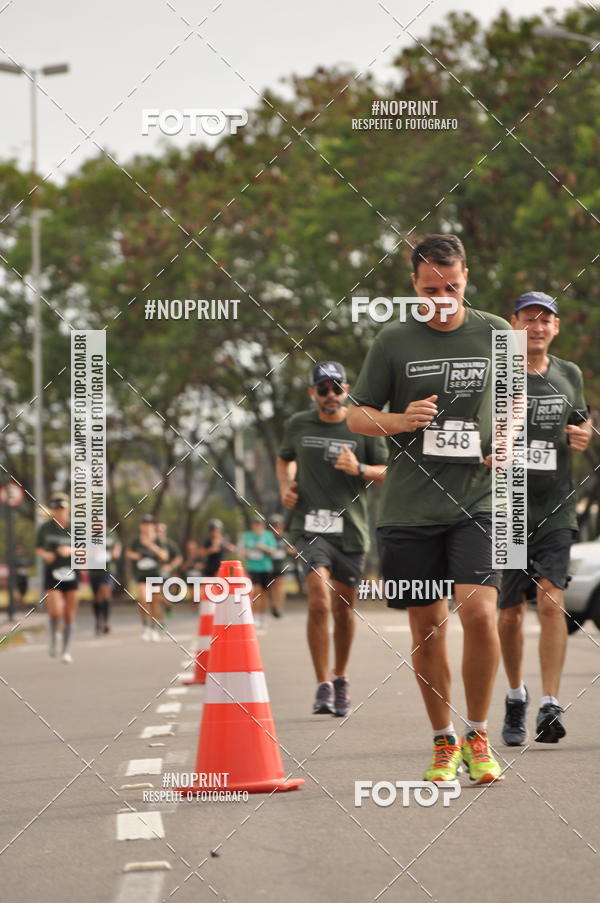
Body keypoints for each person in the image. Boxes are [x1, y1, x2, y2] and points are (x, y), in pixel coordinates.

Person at [347, 234, 510, 784]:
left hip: (481, 500)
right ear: (413, 285)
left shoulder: (498, 333)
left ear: (467, 277)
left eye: (452, 287)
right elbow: (356, 417)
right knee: (427, 627)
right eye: (430, 288)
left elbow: (514, 402)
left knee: (482, 612)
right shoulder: (392, 341)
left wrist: (505, 439)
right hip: (409, 509)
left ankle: (479, 734)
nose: (442, 297)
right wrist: (399, 419)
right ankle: (443, 742)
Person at [498, 292, 592, 746]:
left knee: (552, 600)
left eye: (546, 320)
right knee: (511, 614)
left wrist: (582, 434)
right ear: (513, 324)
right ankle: (516, 695)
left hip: (555, 508)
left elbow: (581, 425)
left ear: (556, 327)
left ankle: (550, 703)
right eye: (528, 319)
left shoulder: (569, 374)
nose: (536, 327)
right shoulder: (497, 374)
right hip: (505, 508)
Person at [277, 361, 387, 717]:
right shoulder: (298, 424)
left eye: (336, 388)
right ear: (312, 393)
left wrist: (358, 469)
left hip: (350, 530)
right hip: (309, 527)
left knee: (343, 608)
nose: (329, 395)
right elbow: (284, 460)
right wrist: (285, 488)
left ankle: (340, 677)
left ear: (347, 389)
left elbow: (386, 473)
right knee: (320, 600)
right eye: (322, 389)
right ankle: (322, 681)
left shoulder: (364, 426)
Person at [35, 493, 79, 663]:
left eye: (62, 508)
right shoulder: (45, 528)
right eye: (56, 508)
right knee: (55, 611)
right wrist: (46, 554)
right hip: (52, 574)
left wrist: (71, 551)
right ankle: (54, 636)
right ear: (52, 510)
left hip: (70, 573)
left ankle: (66, 651)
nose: (59, 511)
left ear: (68, 509)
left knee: (69, 615)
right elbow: (38, 548)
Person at [126, 515, 169, 641]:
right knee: (143, 599)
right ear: (141, 526)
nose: (147, 526)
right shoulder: (137, 541)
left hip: (155, 575)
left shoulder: (158, 540)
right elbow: (129, 553)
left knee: (154, 601)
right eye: (145, 523)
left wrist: (152, 546)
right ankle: (145, 626)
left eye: (149, 524)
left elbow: (164, 556)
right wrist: (136, 555)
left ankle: (153, 628)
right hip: (141, 575)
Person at [240, 517, 277, 628]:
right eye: (255, 524)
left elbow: (273, 551)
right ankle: (254, 616)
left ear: (263, 525)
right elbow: (243, 551)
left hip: (265, 568)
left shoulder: (268, 535)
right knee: (256, 591)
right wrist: (247, 553)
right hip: (253, 568)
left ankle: (262, 616)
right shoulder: (247, 536)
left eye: (259, 524)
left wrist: (263, 548)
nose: (257, 526)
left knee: (264, 594)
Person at [90, 528, 121, 635]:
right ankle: (98, 620)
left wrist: (116, 551)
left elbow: (117, 544)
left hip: (108, 569)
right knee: (97, 597)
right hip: (94, 570)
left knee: (105, 591)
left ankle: (106, 621)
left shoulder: (111, 533)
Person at [156, 522, 182, 619]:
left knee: (166, 595)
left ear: (165, 532)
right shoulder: (152, 544)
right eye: (157, 531)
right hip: (154, 574)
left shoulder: (170, 544)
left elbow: (179, 558)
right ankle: (161, 618)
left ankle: (167, 606)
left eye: (161, 531)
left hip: (167, 574)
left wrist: (170, 566)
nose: (159, 533)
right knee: (156, 594)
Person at [268, 514, 290, 618]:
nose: (276, 527)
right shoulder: (268, 536)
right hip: (269, 565)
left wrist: (291, 550)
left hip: (281, 565)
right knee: (272, 586)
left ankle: (279, 607)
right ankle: (273, 605)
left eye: (278, 525)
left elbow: (291, 549)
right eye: (274, 525)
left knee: (279, 585)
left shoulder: (285, 537)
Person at [13, 542, 31, 608]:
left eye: (21, 548)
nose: (20, 550)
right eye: (18, 548)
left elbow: (29, 566)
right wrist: (18, 570)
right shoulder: (14, 558)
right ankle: (24, 605)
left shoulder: (25, 558)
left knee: (24, 592)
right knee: (19, 592)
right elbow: (13, 568)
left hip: (25, 577)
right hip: (17, 578)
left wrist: (25, 568)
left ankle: (19, 603)